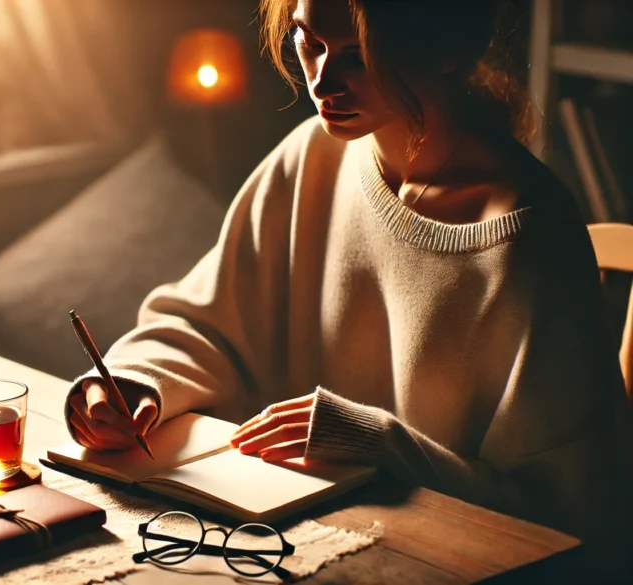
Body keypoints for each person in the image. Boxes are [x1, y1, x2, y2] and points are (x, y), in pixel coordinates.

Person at [64, 0, 631, 576]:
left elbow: (569, 516)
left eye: (360, 57)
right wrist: (136, 384)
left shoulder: (527, 240)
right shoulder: (310, 157)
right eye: (309, 42)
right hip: (286, 546)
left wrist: (380, 442)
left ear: (451, 51)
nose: (322, 80)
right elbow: (205, 324)